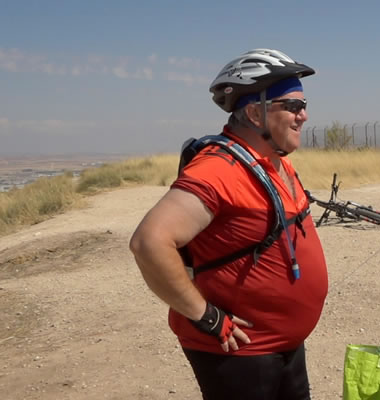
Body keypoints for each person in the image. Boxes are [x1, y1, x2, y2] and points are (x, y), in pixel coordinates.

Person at [129, 48, 328, 400]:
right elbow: (149, 242)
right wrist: (206, 317)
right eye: (293, 106)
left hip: (285, 345)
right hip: (241, 354)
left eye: (304, 104)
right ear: (255, 112)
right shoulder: (219, 169)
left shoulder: (271, 161)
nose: (304, 116)